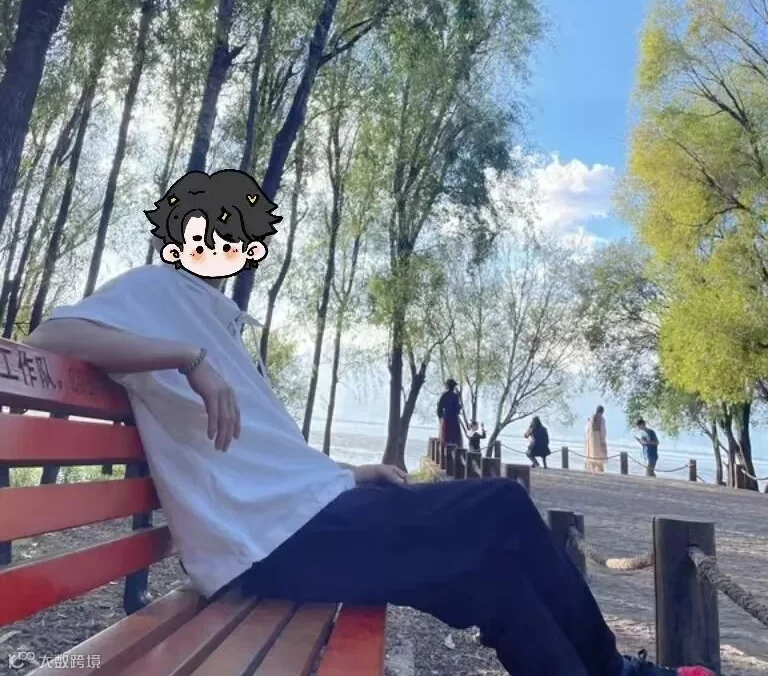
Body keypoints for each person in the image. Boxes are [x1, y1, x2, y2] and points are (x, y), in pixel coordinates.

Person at [26, 168, 714, 676]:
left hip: (301, 522)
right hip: (267, 546)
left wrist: (347, 473)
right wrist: (188, 358)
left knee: (495, 583)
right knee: (502, 506)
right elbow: (51, 337)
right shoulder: (155, 290)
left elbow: (265, 457)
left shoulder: (221, 321)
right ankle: (618, 671)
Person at [437, 377, 464, 449]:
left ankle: (445, 451)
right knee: (455, 438)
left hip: (446, 419)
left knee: (445, 437)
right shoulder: (455, 396)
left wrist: (441, 418)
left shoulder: (444, 395)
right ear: (453, 387)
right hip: (454, 420)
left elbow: (439, 409)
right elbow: (457, 410)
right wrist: (460, 407)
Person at [585, 405, 608, 474]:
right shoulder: (601, 419)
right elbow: (603, 430)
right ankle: (599, 470)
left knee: (592, 454)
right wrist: (603, 440)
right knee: (599, 455)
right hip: (598, 438)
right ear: (602, 411)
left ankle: (592, 469)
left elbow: (587, 429)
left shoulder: (591, 418)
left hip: (591, 439)